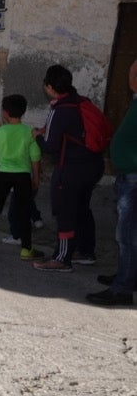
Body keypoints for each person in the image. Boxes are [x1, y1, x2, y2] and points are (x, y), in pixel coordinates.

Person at [33, 64, 105, 272]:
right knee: (82, 209)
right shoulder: (82, 102)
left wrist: (37, 135)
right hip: (93, 165)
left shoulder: (60, 110)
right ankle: (85, 251)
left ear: (49, 87)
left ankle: (62, 258)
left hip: (71, 168)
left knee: (65, 212)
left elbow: (50, 146)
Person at [87, 58, 137, 305]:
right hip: (129, 177)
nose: (131, 79)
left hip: (134, 179)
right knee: (129, 234)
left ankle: (123, 289)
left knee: (126, 236)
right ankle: (128, 276)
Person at [0, 95, 42, 260]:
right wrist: (36, 178)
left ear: (4, 113)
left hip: (2, 175)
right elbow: (35, 157)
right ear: (23, 112)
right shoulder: (29, 132)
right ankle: (26, 249)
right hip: (23, 176)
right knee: (24, 212)